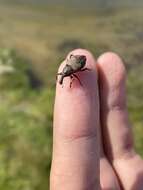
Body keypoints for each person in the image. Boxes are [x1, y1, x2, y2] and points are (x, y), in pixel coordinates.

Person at [50, 49, 143, 190]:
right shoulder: (68, 70)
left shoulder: (72, 71)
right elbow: (66, 72)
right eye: (64, 75)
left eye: (65, 75)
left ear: (69, 72)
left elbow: (72, 70)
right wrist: (62, 78)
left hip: (77, 63)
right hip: (75, 63)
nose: (64, 75)